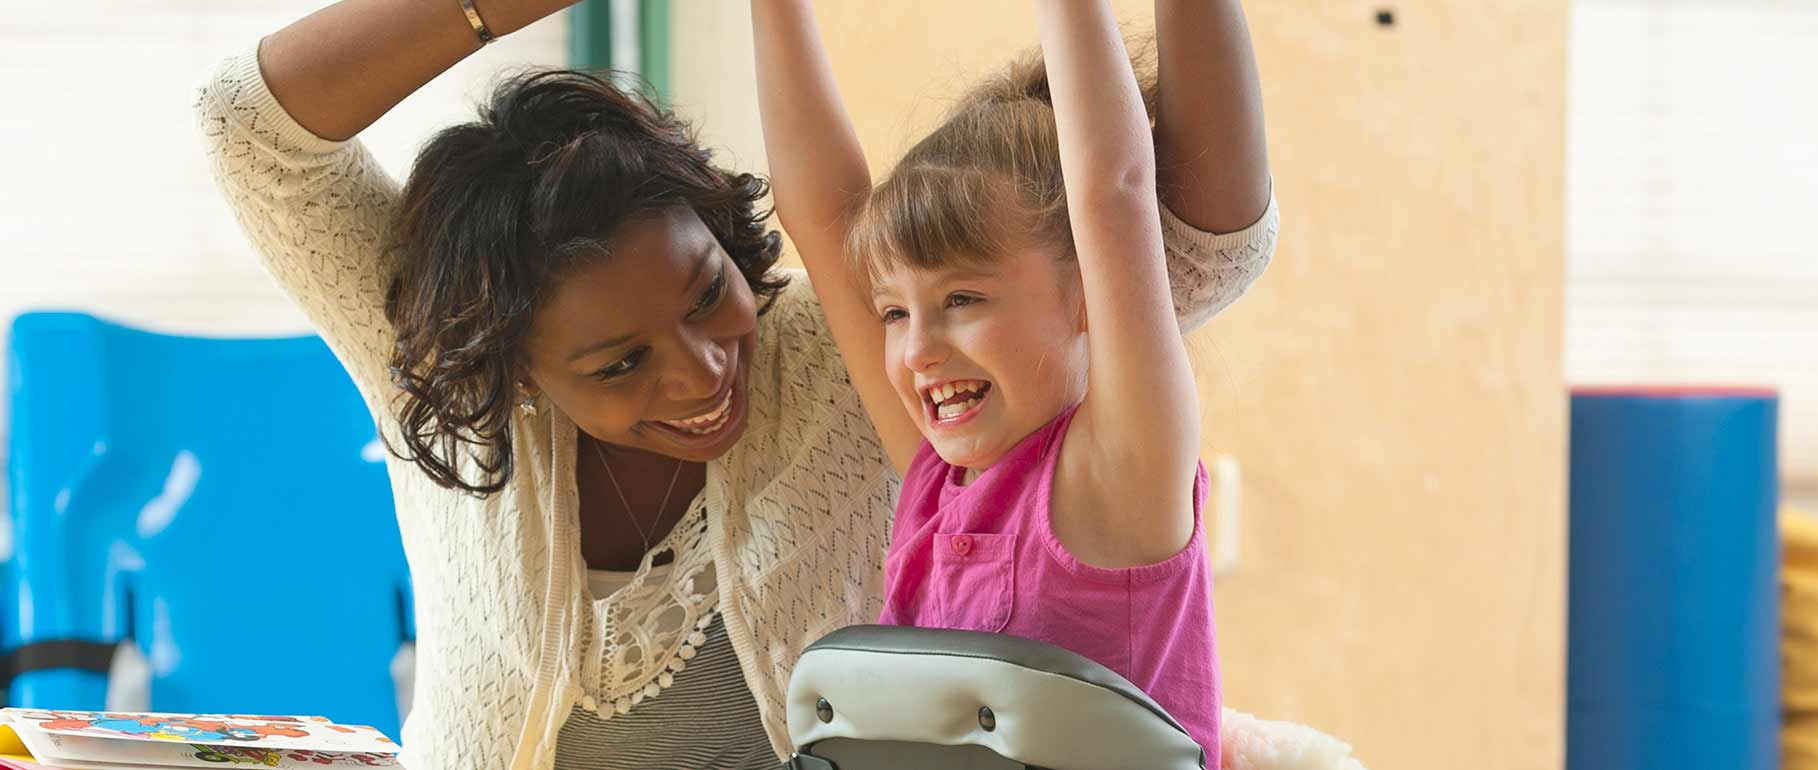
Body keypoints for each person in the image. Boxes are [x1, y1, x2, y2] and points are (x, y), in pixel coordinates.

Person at [195, 0, 1274, 765]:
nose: (707, 368)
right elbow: (248, 126)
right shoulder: (940, 468)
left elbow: (1133, 208)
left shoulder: (923, 415)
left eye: (710, 291)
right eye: (618, 363)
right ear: (512, 368)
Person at [751, 0, 1276, 761]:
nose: (918, 349)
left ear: (1088, 292)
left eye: (963, 299)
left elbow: (1115, 188)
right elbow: (822, 213)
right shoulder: (939, 479)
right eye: (895, 312)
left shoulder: (1118, 474)